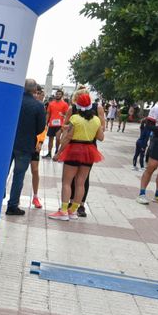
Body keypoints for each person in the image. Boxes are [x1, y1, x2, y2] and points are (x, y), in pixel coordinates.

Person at [49, 91, 103, 221]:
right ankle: (73, 211)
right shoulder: (96, 120)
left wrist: (58, 153)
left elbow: (67, 138)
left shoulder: (75, 118)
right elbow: (101, 137)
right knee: (81, 182)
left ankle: (63, 211)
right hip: (90, 150)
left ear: (77, 106)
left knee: (67, 181)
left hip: (74, 149)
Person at [6, 79, 43, 215]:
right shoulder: (38, 106)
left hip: (9, 143)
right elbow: (40, 128)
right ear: (34, 90)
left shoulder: (13, 101)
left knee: (3, 172)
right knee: (18, 176)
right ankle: (12, 205)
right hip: (26, 146)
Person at [42, 90, 69, 159]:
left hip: (60, 124)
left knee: (57, 138)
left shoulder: (65, 104)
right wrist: (46, 122)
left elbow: (67, 114)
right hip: (51, 123)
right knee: (50, 139)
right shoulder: (51, 104)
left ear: (61, 95)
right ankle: (49, 153)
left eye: (59, 94)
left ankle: (57, 151)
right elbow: (48, 113)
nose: (58, 95)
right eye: (57, 94)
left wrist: (63, 116)